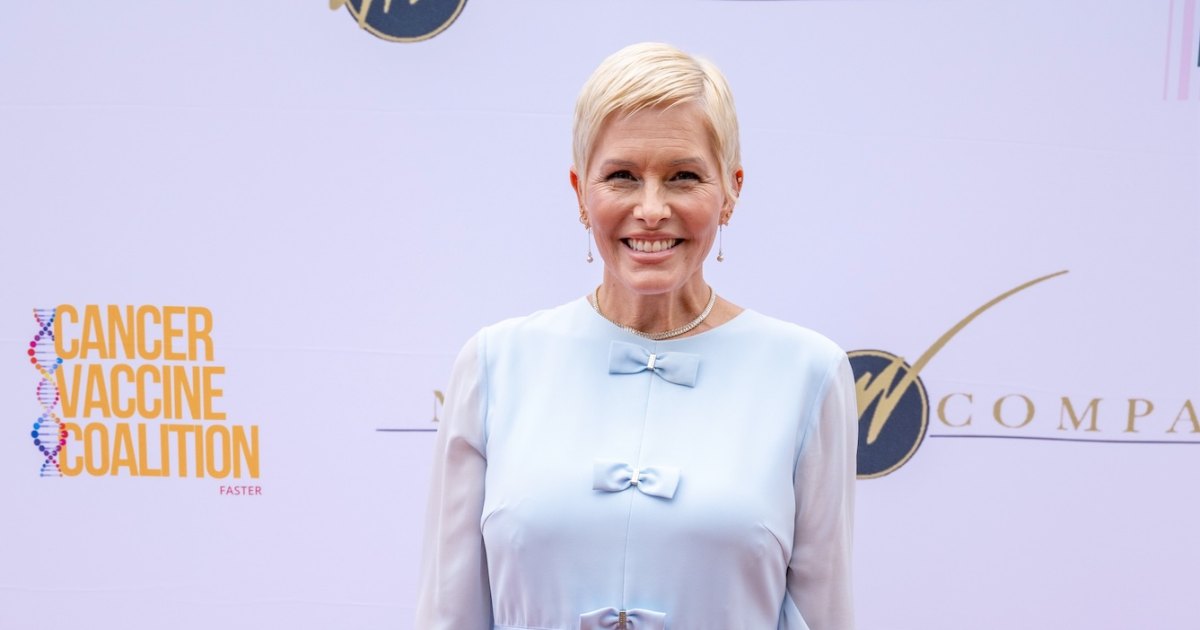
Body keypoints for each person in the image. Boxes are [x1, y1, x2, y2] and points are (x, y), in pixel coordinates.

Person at [416, 42, 857, 630]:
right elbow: (448, 615)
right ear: (581, 191)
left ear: (731, 191)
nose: (651, 209)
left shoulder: (807, 372)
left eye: (683, 177)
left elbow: (823, 615)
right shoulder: (496, 364)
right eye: (622, 176)